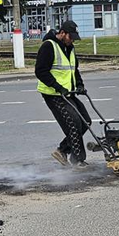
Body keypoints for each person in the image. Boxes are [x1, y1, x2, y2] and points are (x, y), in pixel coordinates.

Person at [35, 20, 92, 168]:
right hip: (53, 94)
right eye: (70, 36)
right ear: (62, 33)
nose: (72, 40)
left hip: (68, 93)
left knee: (86, 121)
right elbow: (40, 71)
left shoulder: (69, 48)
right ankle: (78, 160)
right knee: (74, 123)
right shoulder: (48, 46)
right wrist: (57, 87)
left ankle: (62, 150)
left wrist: (79, 85)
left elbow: (74, 70)